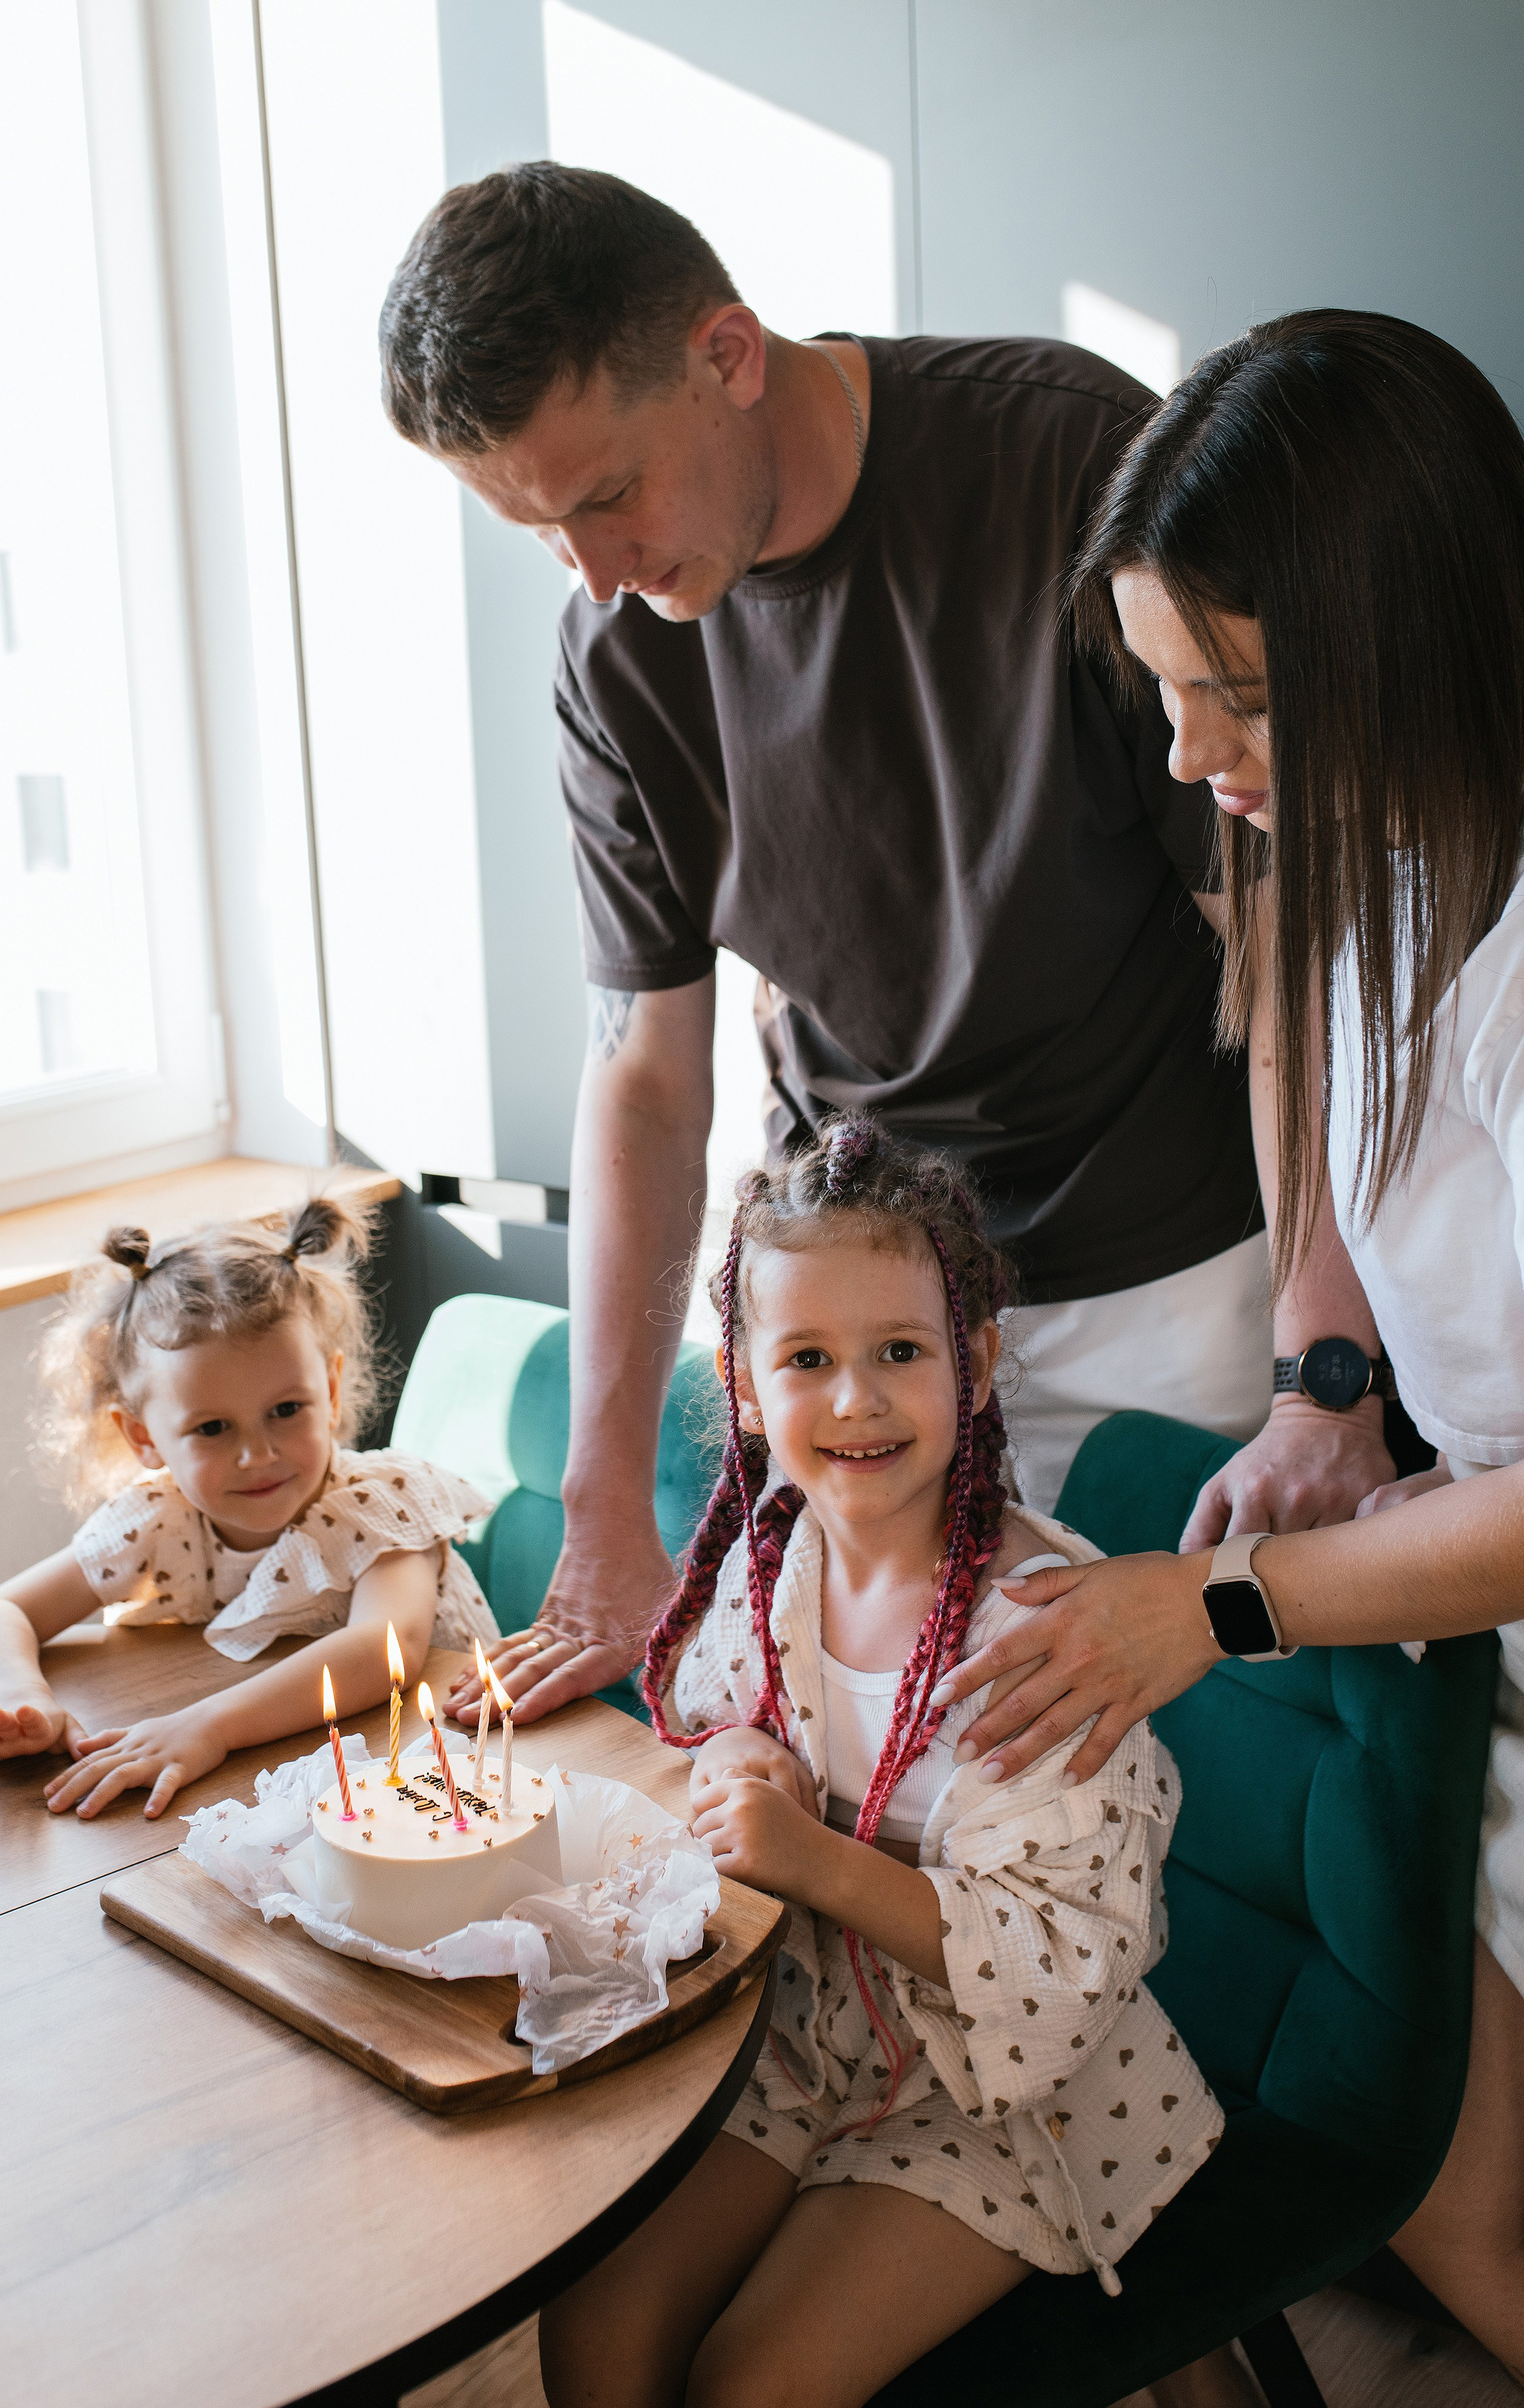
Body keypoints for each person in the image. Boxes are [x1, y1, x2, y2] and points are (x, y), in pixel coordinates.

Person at [377, 163, 1387, 1735]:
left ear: (726, 355)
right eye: (530, 529)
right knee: (872, 1779)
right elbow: (643, 1076)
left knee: (1159, 1806)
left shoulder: (1060, 460)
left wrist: (1319, 1360)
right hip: (859, 1305)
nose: (589, 573)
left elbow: (1274, 949)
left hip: (1156, 1276)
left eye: (601, 496)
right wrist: (602, 1505)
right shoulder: (612, 649)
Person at [928, 310, 1524, 2380]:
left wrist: (1233, 1607)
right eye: (1167, 692)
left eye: (1234, 695)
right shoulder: (1352, 830)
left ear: (1413, 633)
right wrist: (1326, 1373)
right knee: (1455, 2157)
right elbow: (1316, 1078)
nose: (1190, 759)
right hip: (1455, 1540)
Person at [538, 1117, 1234, 2408]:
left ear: (969, 1364)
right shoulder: (769, 1557)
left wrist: (812, 1859)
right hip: (801, 2037)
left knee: (752, 2394)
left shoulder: (1039, 1631)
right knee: (597, 2332)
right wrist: (744, 1750)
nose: (853, 1399)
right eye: (806, 1358)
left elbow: (1056, 1968)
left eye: (898, 1353)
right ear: (743, 1383)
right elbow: (708, 1720)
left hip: (1008, 2099)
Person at [0, 1198, 499, 1817]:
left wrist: (207, 1727)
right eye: (212, 1428)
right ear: (144, 1437)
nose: (258, 1454)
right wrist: (23, 1702)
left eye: (286, 1410)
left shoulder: (381, 1503)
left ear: (329, 1393)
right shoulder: (155, 1521)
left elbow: (381, 1652)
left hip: (453, 1771)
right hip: (297, 1777)